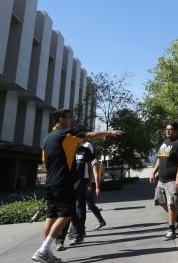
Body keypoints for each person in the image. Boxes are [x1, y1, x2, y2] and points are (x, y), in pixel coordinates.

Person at [32, 109, 123, 263]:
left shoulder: (47, 138)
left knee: (51, 216)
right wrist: (109, 132)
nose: (71, 120)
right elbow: (89, 135)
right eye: (69, 118)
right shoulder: (66, 133)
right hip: (63, 182)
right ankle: (43, 250)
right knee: (66, 214)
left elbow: (45, 163)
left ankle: (45, 250)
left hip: (51, 182)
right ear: (61, 119)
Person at [150, 122, 178, 240]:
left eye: (170, 130)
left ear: (176, 131)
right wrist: (153, 171)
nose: (167, 131)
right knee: (160, 201)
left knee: (172, 204)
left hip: (173, 179)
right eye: (166, 129)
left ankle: (171, 230)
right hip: (162, 179)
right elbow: (159, 158)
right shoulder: (164, 142)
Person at [55, 137, 95, 250]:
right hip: (67, 182)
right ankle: (77, 234)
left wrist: (89, 182)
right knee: (69, 209)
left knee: (72, 208)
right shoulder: (66, 149)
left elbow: (91, 166)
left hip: (80, 182)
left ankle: (63, 239)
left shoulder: (85, 150)